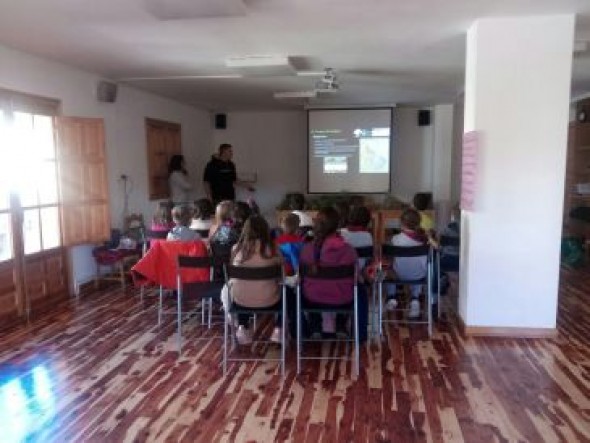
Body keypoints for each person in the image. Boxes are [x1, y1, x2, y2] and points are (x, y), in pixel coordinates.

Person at [221, 215, 283, 345]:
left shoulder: (236, 248)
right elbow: (281, 275)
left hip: (240, 302)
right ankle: (279, 328)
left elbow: (233, 275)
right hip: (271, 300)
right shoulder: (273, 248)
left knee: (240, 286)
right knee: (289, 293)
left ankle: (242, 327)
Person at [299, 207, 358, 335]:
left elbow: (301, 277)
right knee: (360, 291)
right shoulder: (349, 250)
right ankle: (341, 325)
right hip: (343, 300)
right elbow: (356, 278)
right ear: (337, 225)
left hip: (312, 300)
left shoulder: (306, 250)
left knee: (300, 291)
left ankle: (315, 326)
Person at [385, 208, 435, 318]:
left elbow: (389, 259)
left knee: (388, 268)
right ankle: (415, 299)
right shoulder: (425, 240)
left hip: (399, 275)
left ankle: (392, 298)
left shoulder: (395, 239)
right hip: (420, 275)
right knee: (417, 266)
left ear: (401, 223)